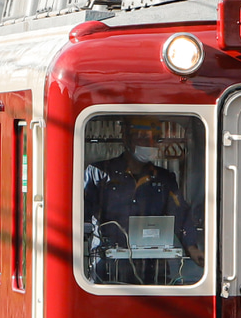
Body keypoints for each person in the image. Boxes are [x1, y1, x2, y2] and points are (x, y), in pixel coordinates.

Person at [83, 117, 203, 282]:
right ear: (126, 137)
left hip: (154, 268)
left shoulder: (164, 179)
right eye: (142, 138)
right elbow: (81, 216)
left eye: (154, 139)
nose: (149, 143)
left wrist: (192, 248)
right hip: (108, 268)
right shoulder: (98, 174)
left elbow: (181, 214)